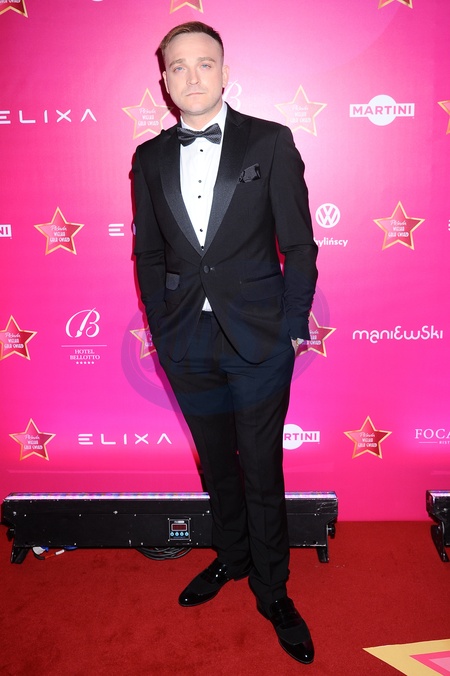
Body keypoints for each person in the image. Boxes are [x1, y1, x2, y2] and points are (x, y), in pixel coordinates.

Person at [133, 21, 318, 665]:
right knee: (216, 464)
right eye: (177, 66)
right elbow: (148, 254)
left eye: (204, 63)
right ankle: (233, 556)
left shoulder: (270, 140)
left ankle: (273, 591)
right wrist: (161, 330)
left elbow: (299, 245)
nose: (191, 76)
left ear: (224, 72)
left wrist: (293, 327)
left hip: (260, 339)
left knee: (261, 469)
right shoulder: (149, 157)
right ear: (164, 81)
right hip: (187, 341)